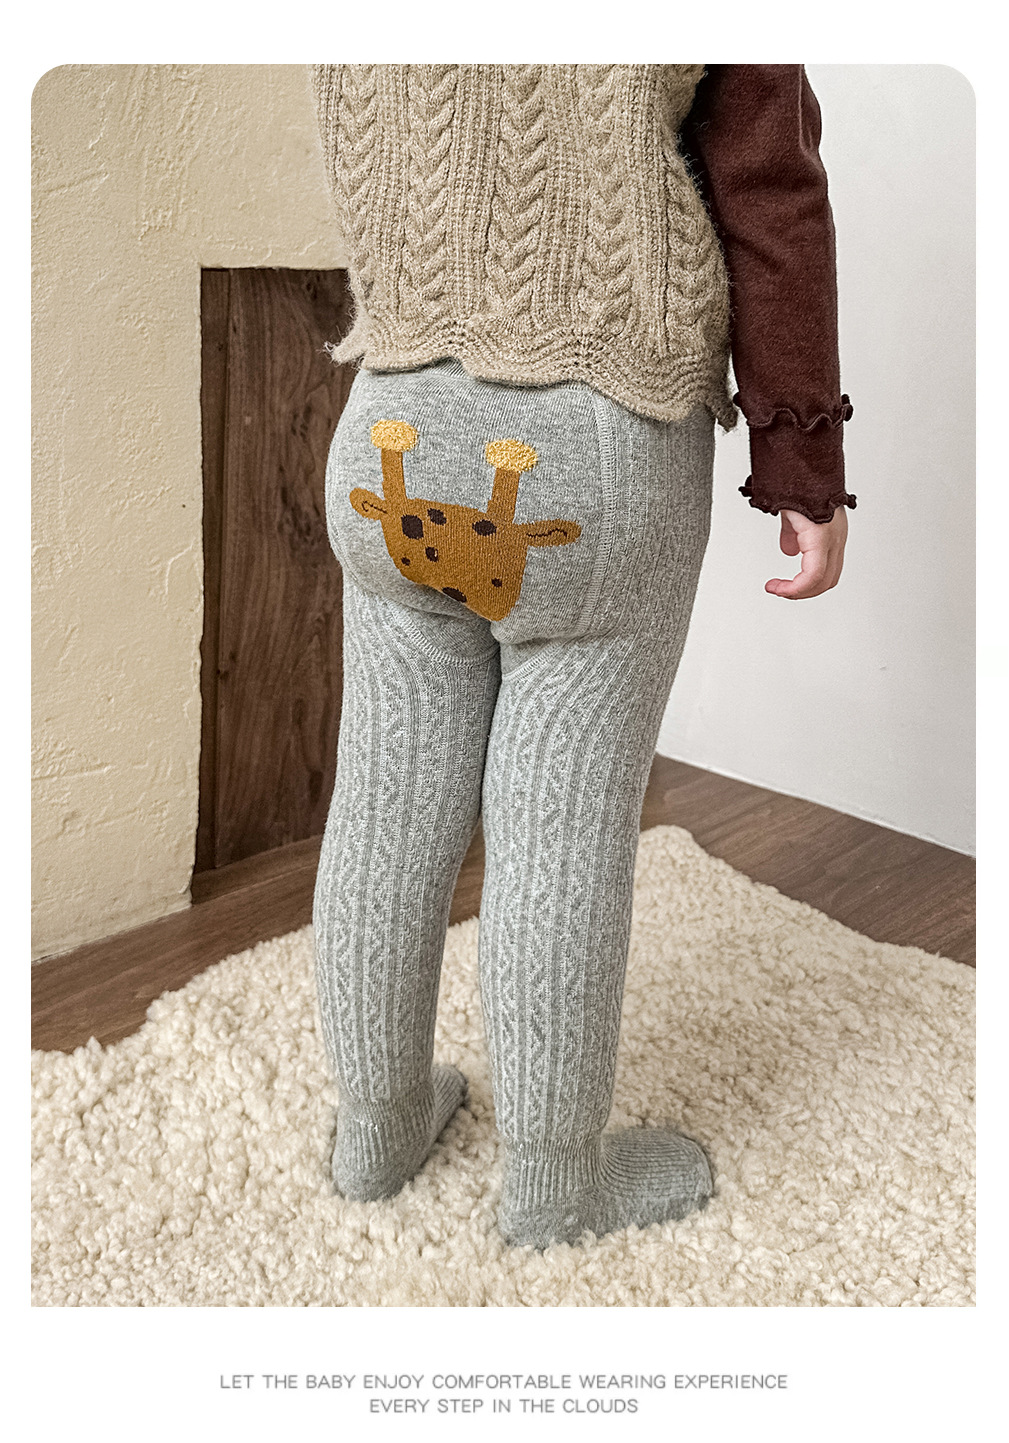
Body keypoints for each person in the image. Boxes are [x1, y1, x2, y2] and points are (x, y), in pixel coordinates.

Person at [309, 64, 854, 1249]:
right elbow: (770, 197)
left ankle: (376, 1131)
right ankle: (557, 1186)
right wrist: (803, 466)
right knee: (559, 824)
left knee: (384, 802)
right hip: (597, 434)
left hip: (389, 418)